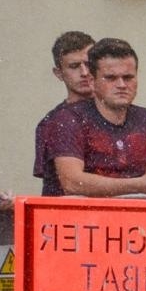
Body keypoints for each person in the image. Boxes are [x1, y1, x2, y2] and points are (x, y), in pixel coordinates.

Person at [35, 38, 146, 198]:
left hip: (133, 221)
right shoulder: (67, 119)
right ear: (92, 81)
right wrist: (139, 185)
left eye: (128, 77)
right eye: (111, 78)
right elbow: (72, 183)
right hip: (76, 221)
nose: (121, 85)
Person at [32, 30, 95, 190]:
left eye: (88, 64)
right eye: (74, 66)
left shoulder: (118, 112)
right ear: (58, 73)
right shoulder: (54, 122)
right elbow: (69, 182)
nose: (84, 73)